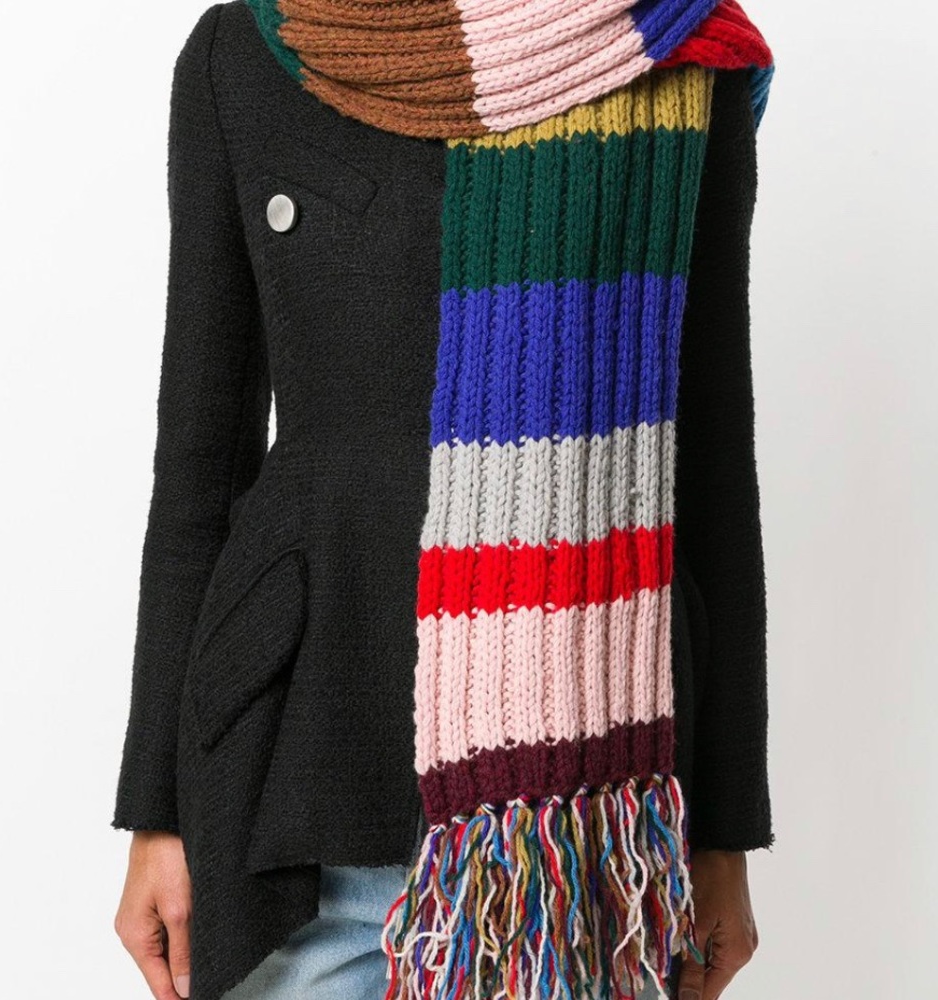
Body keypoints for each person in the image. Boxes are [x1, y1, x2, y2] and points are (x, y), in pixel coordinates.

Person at [112, 3, 774, 999]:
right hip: (291, 798)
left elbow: (712, 464)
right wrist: (157, 813)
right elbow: (200, 465)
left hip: (573, 828)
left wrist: (722, 834)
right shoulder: (246, 54)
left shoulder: (667, 53)